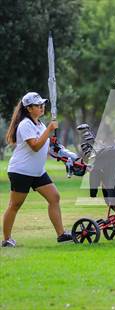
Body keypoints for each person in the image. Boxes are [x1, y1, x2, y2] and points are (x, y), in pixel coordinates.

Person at [2, 92, 72, 247]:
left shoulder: (39, 125)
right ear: (28, 108)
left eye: (42, 104)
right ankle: (6, 240)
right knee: (15, 205)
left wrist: (60, 150)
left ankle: (61, 235)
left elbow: (44, 147)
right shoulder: (25, 124)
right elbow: (34, 146)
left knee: (54, 197)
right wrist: (49, 130)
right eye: (38, 105)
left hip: (37, 171)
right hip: (21, 171)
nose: (42, 107)